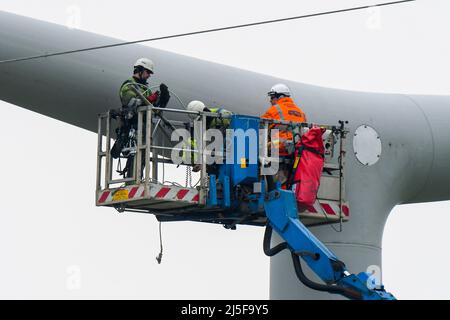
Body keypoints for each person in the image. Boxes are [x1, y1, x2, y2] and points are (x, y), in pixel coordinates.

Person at [112, 58, 170, 180]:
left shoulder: (145, 88)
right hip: (131, 127)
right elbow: (131, 102)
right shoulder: (128, 85)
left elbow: (154, 109)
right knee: (134, 154)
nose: (149, 75)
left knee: (142, 155)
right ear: (139, 70)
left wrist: (162, 99)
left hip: (143, 127)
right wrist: (151, 99)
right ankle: (133, 179)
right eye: (147, 72)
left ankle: (138, 179)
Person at [261, 83, 306, 187]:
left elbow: (260, 127)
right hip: (296, 152)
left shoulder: (274, 110)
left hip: (278, 148)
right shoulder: (301, 112)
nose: (270, 100)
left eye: (272, 97)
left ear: (280, 97)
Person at [185, 100, 233, 172]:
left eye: (201, 119)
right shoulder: (203, 123)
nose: (201, 121)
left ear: (204, 111)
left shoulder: (223, 115)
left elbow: (230, 134)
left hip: (231, 148)